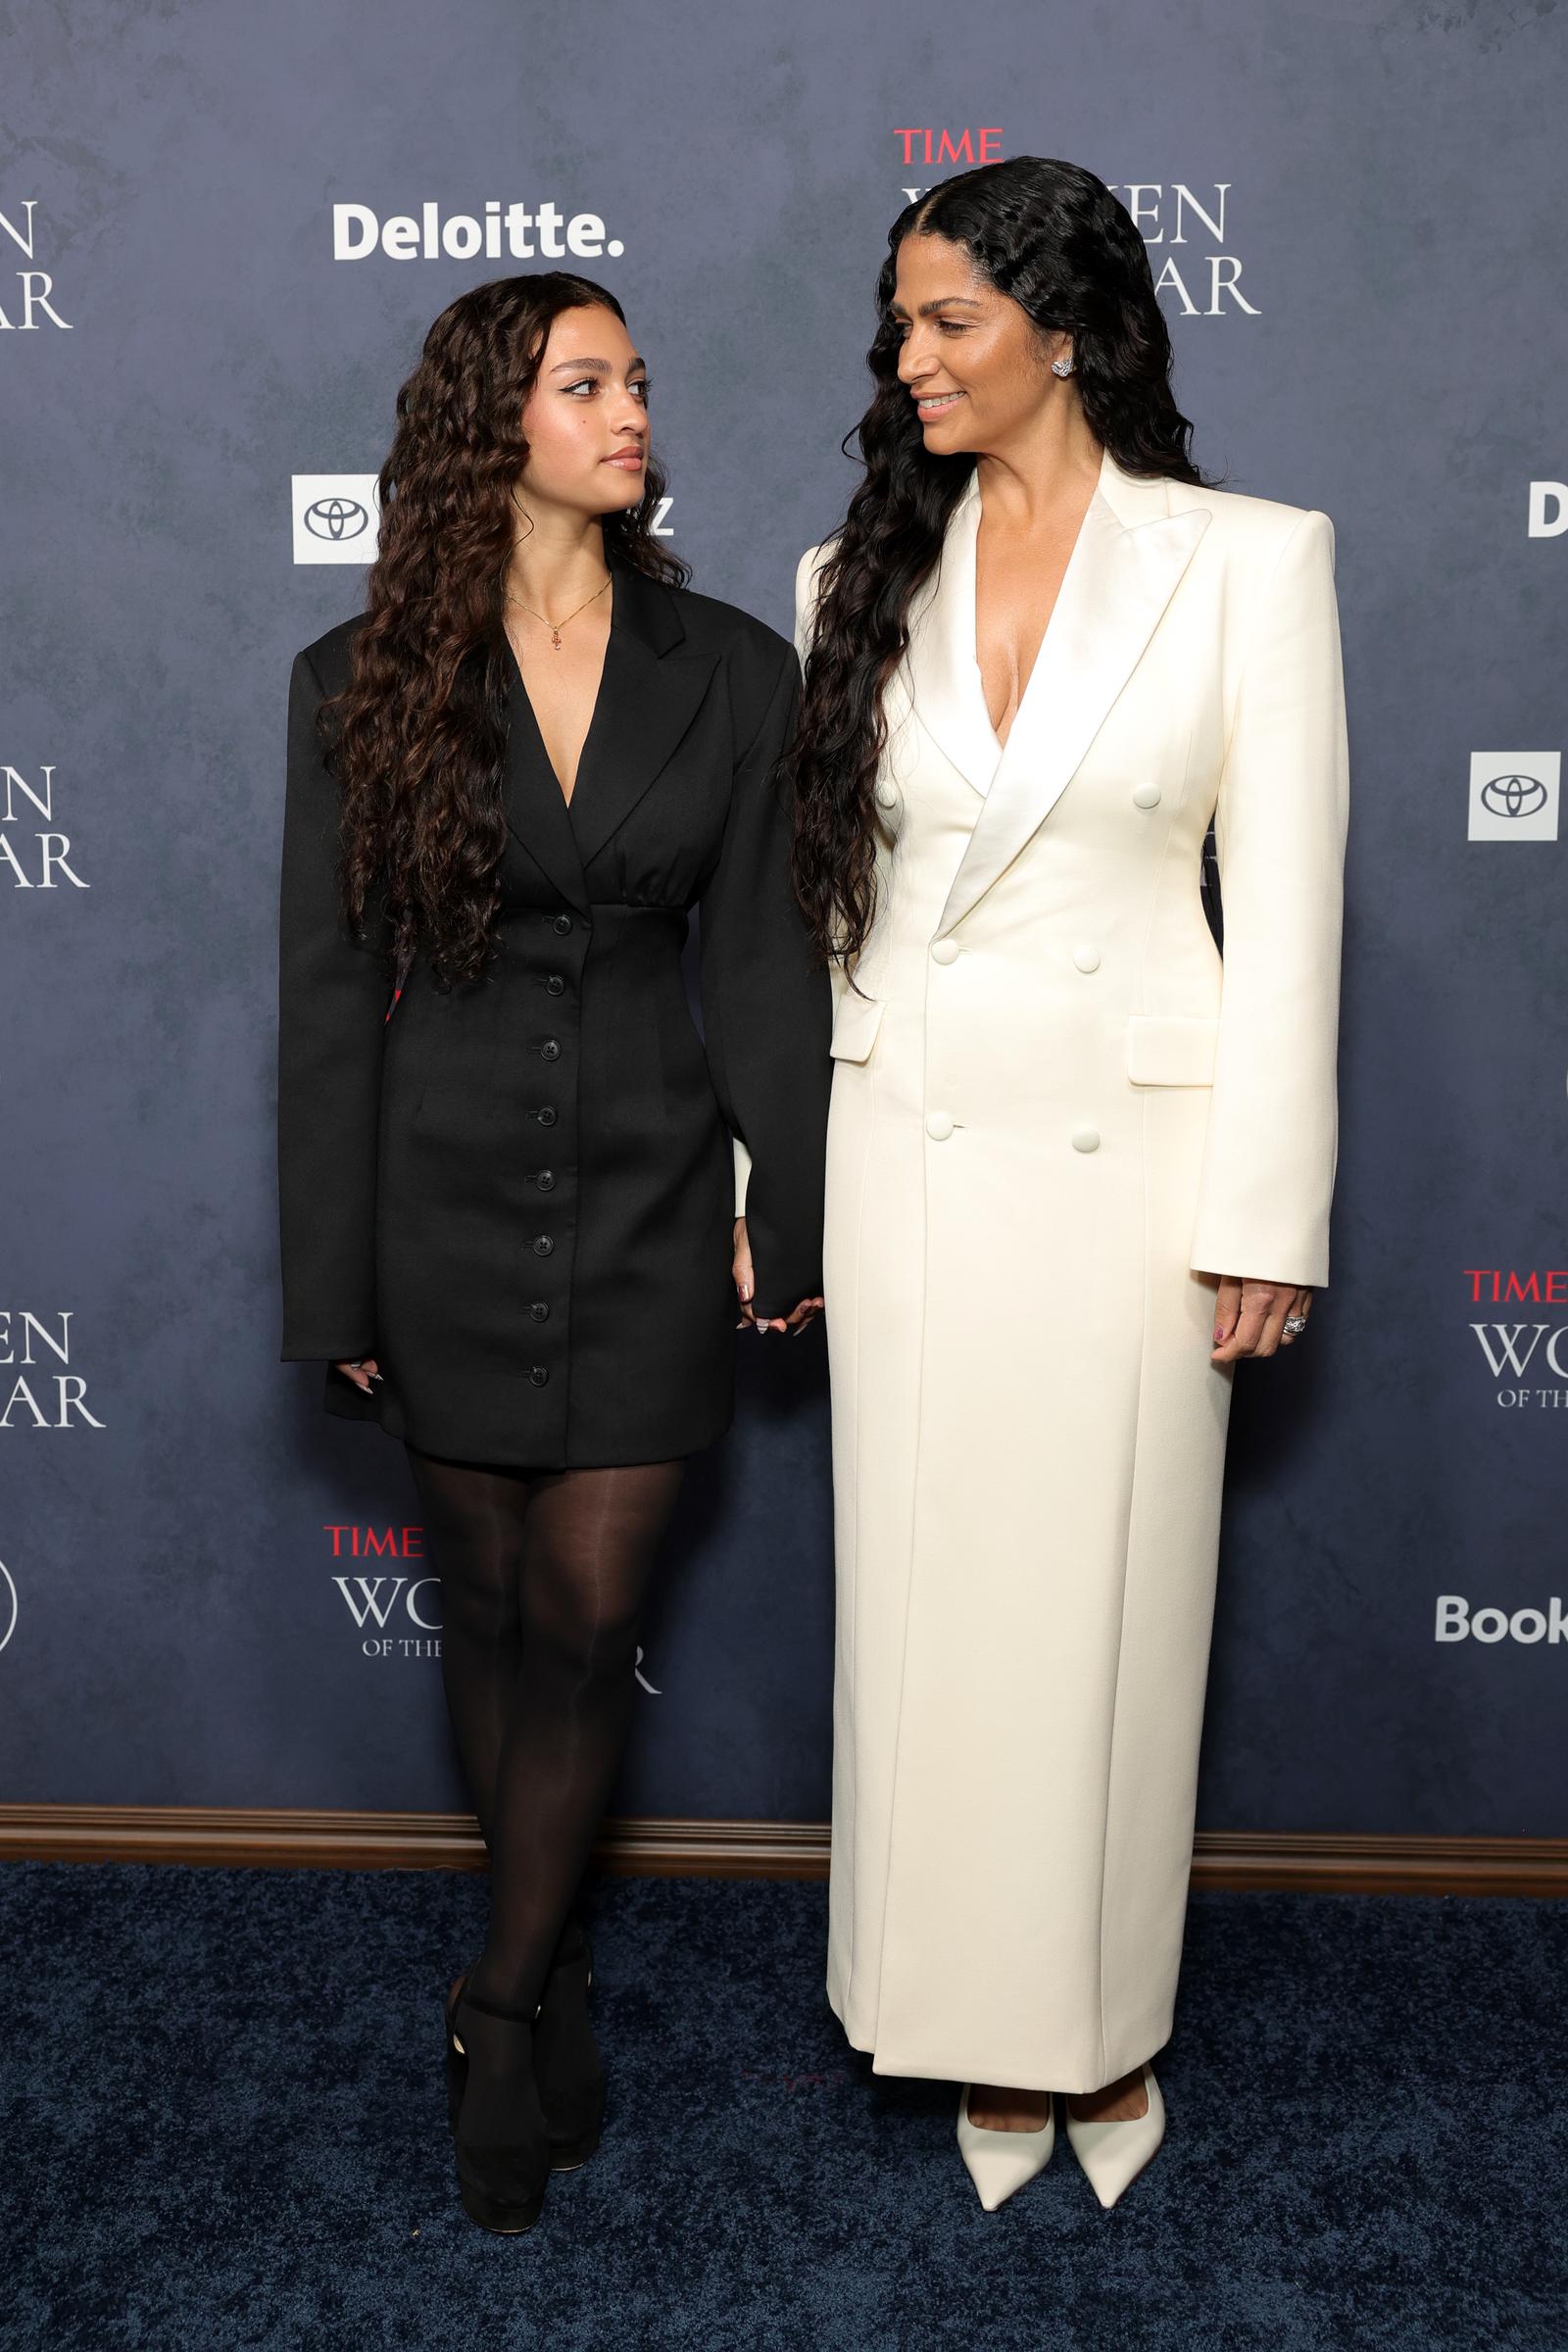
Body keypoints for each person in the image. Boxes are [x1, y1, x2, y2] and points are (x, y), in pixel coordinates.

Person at [787, 158, 1348, 2211]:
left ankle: (1092, 2032)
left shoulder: (1243, 562)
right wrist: (792, 1156)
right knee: (931, 1609)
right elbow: (832, 918)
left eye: (946, 321)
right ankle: (935, 2007)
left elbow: (1283, 914)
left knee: (1106, 1611)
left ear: (1065, 325)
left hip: (1133, 1172)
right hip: (911, 1151)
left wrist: (1260, 1211)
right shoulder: (848, 572)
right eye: (900, 326)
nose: (909, 360)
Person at [276, 272, 830, 2234]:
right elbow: (332, 994)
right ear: (490, 423)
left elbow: (762, 963)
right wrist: (327, 1281)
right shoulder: (357, 677)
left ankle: (494, 1998)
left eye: (635, 380)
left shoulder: (733, 669)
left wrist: (797, 1198)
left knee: (589, 1613)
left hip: (653, 1199)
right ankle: (554, 1947)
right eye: (584, 382)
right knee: (496, 1609)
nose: (629, 410)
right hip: (431, 1195)